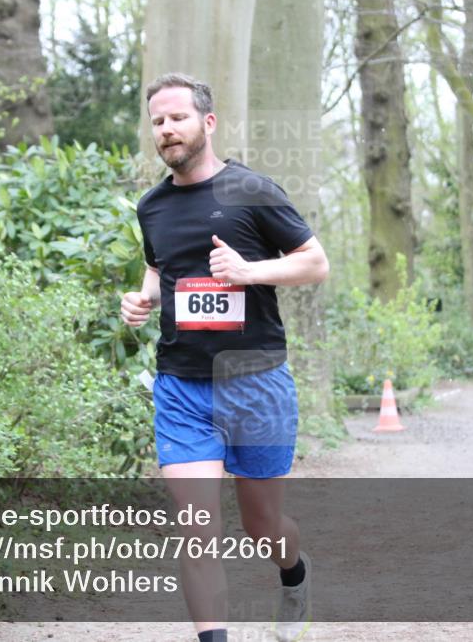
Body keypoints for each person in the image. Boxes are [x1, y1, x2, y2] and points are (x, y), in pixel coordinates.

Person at [120, 72, 329, 642]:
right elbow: (163, 267)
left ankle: (295, 574)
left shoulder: (252, 191)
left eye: (178, 118)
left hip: (254, 383)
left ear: (207, 123)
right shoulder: (153, 206)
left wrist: (248, 272)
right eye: (158, 121)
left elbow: (314, 263)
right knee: (196, 529)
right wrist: (144, 297)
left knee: (263, 526)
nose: (167, 130)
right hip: (182, 385)